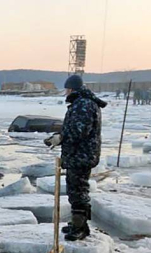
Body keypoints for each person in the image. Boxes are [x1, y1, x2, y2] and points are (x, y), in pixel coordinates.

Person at [45, 74, 107, 241]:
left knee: (78, 191)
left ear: (72, 88)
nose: (65, 92)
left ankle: (80, 228)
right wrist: (59, 136)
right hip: (79, 154)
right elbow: (73, 128)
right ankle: (78, 223)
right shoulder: (82, 103)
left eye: (67, 89)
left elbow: (79, 131)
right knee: (75, 189)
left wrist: (61, 138)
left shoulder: (83, 104)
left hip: (81, 155)